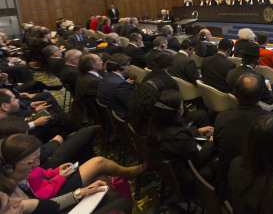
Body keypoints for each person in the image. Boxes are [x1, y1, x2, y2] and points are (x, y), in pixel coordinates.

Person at [214, 74, 273, 198]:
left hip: (231, 183)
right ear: (260, 95)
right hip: (266, 188)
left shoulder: (221, 117)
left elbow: (217, 146)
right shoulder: (272, 121)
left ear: (236, 94)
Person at [0, 133, 141, 204]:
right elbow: (44, 201)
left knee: (102, 179)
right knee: (98, 163)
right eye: (31, 161)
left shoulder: (23, 173)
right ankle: (129, 173)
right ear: (9, 168)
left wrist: (56, 172)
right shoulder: (10, 196)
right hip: (53, 193)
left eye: (38, 158)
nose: (37, 163)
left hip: (54, 188)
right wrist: (61, 178)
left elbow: (41, 173)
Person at [147, 90, 216, 185]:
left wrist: (197, 131)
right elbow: (198, 160)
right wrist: (211, 141)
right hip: (189, 177)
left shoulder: (156, 125)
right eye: (182, 104)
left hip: (174, 173)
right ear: (178, 111)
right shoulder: (178, 136)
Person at [97, 53, 133, 119]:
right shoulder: (121, 85)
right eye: (128, 65)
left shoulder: (105, 78)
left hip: (110, 117)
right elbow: (132, 104)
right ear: (122, 67)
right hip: (123, 117)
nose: (129, 67)